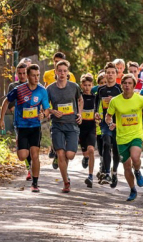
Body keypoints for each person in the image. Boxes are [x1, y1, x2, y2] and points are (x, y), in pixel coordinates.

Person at [0, 64, 50, 192]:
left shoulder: (42, 90)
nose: (36, 78)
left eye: (38, 75)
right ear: (27, 76)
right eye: (33, 75)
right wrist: (1, 119)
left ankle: (35, 183)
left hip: (35, 127)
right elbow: (6, 101)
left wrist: (43, 114)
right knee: (22, 155)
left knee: (35, 155)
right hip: (21, 126)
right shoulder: (19, 89)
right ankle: (21, 148)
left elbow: (47, 110)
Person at [105, 73, 143, 201]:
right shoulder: (115, 101)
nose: (127, 85)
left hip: (136, 134)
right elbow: (108, 116)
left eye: (130, 83)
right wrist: (110, 123)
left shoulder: (140, 99)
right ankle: (132, 190)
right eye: (125, 83)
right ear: (121, 85)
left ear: (134, 85)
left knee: (135, 157)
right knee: (126, 166)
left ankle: (137, 171)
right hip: (121, 138)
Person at [46, 60, 83, 193]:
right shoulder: (50, 89)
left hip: (72, 124)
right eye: (59, 71)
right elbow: (45, 106)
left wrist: (80, 113)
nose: (62, 73)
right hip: (57, 125)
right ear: (55, 72)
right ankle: (66, 182)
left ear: (68, 73)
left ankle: (60, 160)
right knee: (62, 154)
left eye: (64, 71)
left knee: (70, 155)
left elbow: (80, 99)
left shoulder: (74, 86)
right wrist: (52, 111)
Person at [1, 62, 31, 180]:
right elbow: (11, 105)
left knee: (32, 146)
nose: (22, 76)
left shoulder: (33, 85)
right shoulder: (13, 86)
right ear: (17, 74)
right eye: (20, 73)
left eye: (24, 73)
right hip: (19, 121)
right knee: (23, 147)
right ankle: (29, 169)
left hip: (33, 121)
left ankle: (32, 168)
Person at [94, 62, 122, 187]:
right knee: (105, 142)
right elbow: (96, 104)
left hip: (118, 122)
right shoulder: (100, 89)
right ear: (105, 74)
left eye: (112, 73)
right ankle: (106, 172)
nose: (110, 75)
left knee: (116, 150)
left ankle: (114, 171)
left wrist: (114, 102)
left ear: (116, 74)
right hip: (105, 121)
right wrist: (96, 113)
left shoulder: (119, 89)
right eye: (108, 73)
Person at [78, 73, 97, 187]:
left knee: (91, 150)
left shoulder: (95, 98)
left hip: (91, 128)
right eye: (85, 85)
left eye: (89, 85)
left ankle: (90, 176)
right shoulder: (79, 97)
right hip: (81, 128)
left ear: (92, 85)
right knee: (85, 152)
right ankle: (85, 158)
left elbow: (98, 110)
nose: (87, 87)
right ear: (81, 85)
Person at [93, 72, 107, 181]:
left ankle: (106, 170)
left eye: (105, 82)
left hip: (108, 127)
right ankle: (102, 164)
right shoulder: (96, 97)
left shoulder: (112, 96)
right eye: (101, 83)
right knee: (101, 149)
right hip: (98, 128)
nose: (103, 84)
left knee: (107, 147)